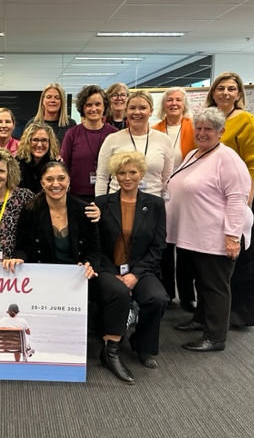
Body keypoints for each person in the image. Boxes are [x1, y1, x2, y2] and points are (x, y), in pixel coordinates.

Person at [3, 162, 133, 384]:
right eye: (50, 179)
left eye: (61, 178)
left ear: (69, 181)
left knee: (119, 293)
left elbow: (94, 248)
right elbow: (22, 244)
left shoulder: (85, 209)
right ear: (42, 183)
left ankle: (110, 353)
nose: (56, 184)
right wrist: (19, 257)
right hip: (48, 276)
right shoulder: (30, 211)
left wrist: (90, 263)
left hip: (81, 272)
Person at [166, 107, 252, 352]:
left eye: (208, 129)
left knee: (215, 286)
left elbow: (237, 200)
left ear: (221, 132)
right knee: (203, 283)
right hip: (193, 235)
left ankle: (215, 337)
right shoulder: (194, 154)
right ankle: (201, 319)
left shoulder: (228, 159)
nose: (202, 133)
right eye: (199, 128)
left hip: (215, 236)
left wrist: (232, 237)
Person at [94, 151, 168, 368]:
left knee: (157, 299)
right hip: (108, 268)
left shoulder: (155, 204)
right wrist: (114, 274)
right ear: (115, 176)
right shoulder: (101, 203)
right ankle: (110, 339)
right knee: (115, 293)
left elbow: (158, 245)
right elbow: (95, 245)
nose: (127, 177)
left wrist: (135, 274)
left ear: (142, 174)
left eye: (133, 172)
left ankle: (143, 345)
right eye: (122, 173)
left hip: (141, 269)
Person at [205, 71, 254, 328]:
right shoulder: (211, 118)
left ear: (239, 94)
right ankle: (211, 313)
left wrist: (246, 200)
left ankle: (238, 315)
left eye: (231, 89)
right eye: (220, 88)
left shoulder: (246, 120)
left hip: (241, 197)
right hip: (214, 198)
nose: (225, 93)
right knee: (214, 259)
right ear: (213, 93)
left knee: (241, 258)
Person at [152, 87, 196, 307]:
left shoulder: (193, 127)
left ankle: (188, 296)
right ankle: (168, 293)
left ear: (184, 103)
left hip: (188, 194)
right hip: (163, 193)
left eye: (178, 100)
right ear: (164, 104)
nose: (174, 103)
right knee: (164, 244)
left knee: (187, 245)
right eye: (170, 100)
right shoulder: (155, 129)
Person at [95, 90, 173, 197]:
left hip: (152, 203)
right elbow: (102, 177)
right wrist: (100, 205)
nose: (137, 112)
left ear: (151, 111)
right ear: (126, 111)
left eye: (142, 108)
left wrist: (166, 205)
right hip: (117, 204)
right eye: (132, 108)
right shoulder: (112, 139)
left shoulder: (164, 140)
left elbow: (167, 179)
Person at [61, 85, 118, 202]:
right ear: (82, 108)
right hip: (77, 196)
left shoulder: (114, 134)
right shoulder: (72, 134)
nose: (93, 109)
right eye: (89, 105)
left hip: (108, 195)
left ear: (104, 106)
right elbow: (65, 166)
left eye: (98, 104)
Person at [15, 122, 60, 194]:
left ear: (50, 142)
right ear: (28, 141)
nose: (39, 145)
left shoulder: (56, 165)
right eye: (35, 140)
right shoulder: (17, 164)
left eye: (44, 140)